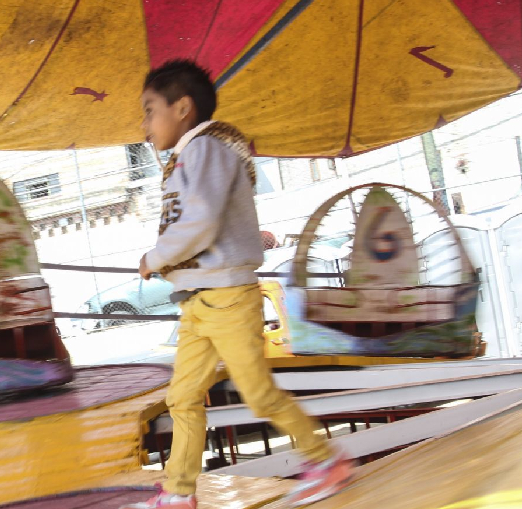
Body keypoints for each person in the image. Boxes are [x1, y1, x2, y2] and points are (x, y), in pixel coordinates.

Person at [122, 59, 353, 509]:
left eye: (151, 110)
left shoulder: (206, 150)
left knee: (259, 394)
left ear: (183, 107)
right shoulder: (187, 157)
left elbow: (202, 222)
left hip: (226, 297)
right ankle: (178, 492)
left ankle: (327, 461)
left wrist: (155, 258)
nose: (146, 125)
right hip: (197, 301)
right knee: (183, 396)